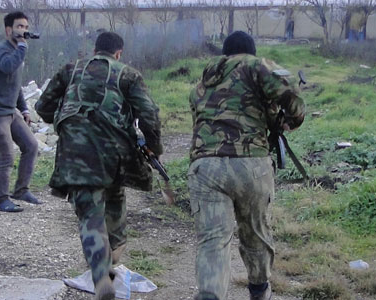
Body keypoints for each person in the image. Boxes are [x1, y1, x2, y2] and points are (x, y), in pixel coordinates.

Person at [35, 32, 163, 300]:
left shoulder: (70, 69)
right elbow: (149, 114)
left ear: (94, 50)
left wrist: (66, 119)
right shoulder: (128, 74)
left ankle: (103, 276)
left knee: (91, 218)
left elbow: (43, 107)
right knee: (115, 204)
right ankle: (110, 268)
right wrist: (154, 148)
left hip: (76, 156)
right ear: (118, 53)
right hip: (116, 156)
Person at [187, 31, 306, 300]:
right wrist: (292, 120)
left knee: (213, 241)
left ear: (224, 54)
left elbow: (197, 111)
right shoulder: (255, 65)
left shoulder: (203, 82)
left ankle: (210, 294)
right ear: (249, 52)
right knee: (255, 234)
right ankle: (259, 291)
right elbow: (290, 91)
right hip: (250, 165)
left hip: (205, 167)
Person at [0, 11, 41, 213]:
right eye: (19, 27)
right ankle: (1, 200)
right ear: (8, 30)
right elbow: (7, 67)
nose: (23, 31)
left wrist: (24, 109)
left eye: (25, 27)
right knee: (7, 155)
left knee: (31, 145)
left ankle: (21, 190)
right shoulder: (0, 51)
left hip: (9, 111)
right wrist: (22, 47)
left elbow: (15, 83)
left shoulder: (17, 52)